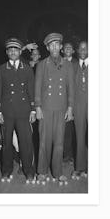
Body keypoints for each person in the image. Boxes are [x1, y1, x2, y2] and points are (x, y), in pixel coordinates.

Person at [35, 32, 74, 186]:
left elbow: (70, 88)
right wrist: (37, 107)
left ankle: (58, 172)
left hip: (61, 107)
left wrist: (70, 107)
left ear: (61, 46)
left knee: (59, 142)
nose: (54, 47)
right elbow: (37, 87)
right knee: (44, 141)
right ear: (47, 47)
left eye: (57, 44)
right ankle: (42, 171)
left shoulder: (68, 65)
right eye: (51, 45)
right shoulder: (42, 64)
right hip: (45, 108)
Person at [0, 38, 36, 184]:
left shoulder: (27, 68)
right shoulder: (0, 69)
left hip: (24, 111)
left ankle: (29, 171)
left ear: (20, 52)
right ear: (7, 52)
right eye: (10, 50)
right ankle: (6, 170)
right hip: (6, 112)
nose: (13, 52)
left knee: (26, 142)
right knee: (6, 143)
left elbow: (31, 91)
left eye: (16, 50)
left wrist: (33, 110)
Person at [71, 41, 88, 180]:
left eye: (86, 48)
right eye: (81, 48)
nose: (83, 50)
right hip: (78, 106)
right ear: (77, 50)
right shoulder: (73, 66)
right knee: (80, 137)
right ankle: (80, 167)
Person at [62, 42, 77, 165]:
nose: (68, 49)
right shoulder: (58, 62)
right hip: (60, 101)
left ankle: (69, 155)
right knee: (61, 129)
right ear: (62, 50)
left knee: (71, 130)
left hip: (73, 101)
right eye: (66, 47)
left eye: (70, 47)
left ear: (73, 51)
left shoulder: (77, 64)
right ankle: (62, 154)